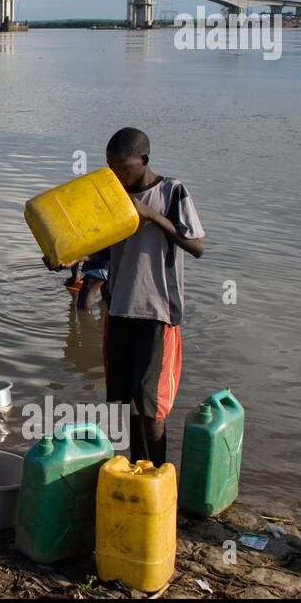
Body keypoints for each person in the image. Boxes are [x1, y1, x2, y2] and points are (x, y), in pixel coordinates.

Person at [100, 127, 205, 465]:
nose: (117, 173)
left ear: (143, 160)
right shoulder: (114, 196)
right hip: (119, 310)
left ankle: (160, 479)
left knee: (153, 409)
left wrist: (151, 216)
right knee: (126, 403)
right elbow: (104, 250)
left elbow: (197, 246)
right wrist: (71, 259)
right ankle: (135, 468)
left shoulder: (172, 192)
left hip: (156, 313)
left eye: (123, 166)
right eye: (110, 166)